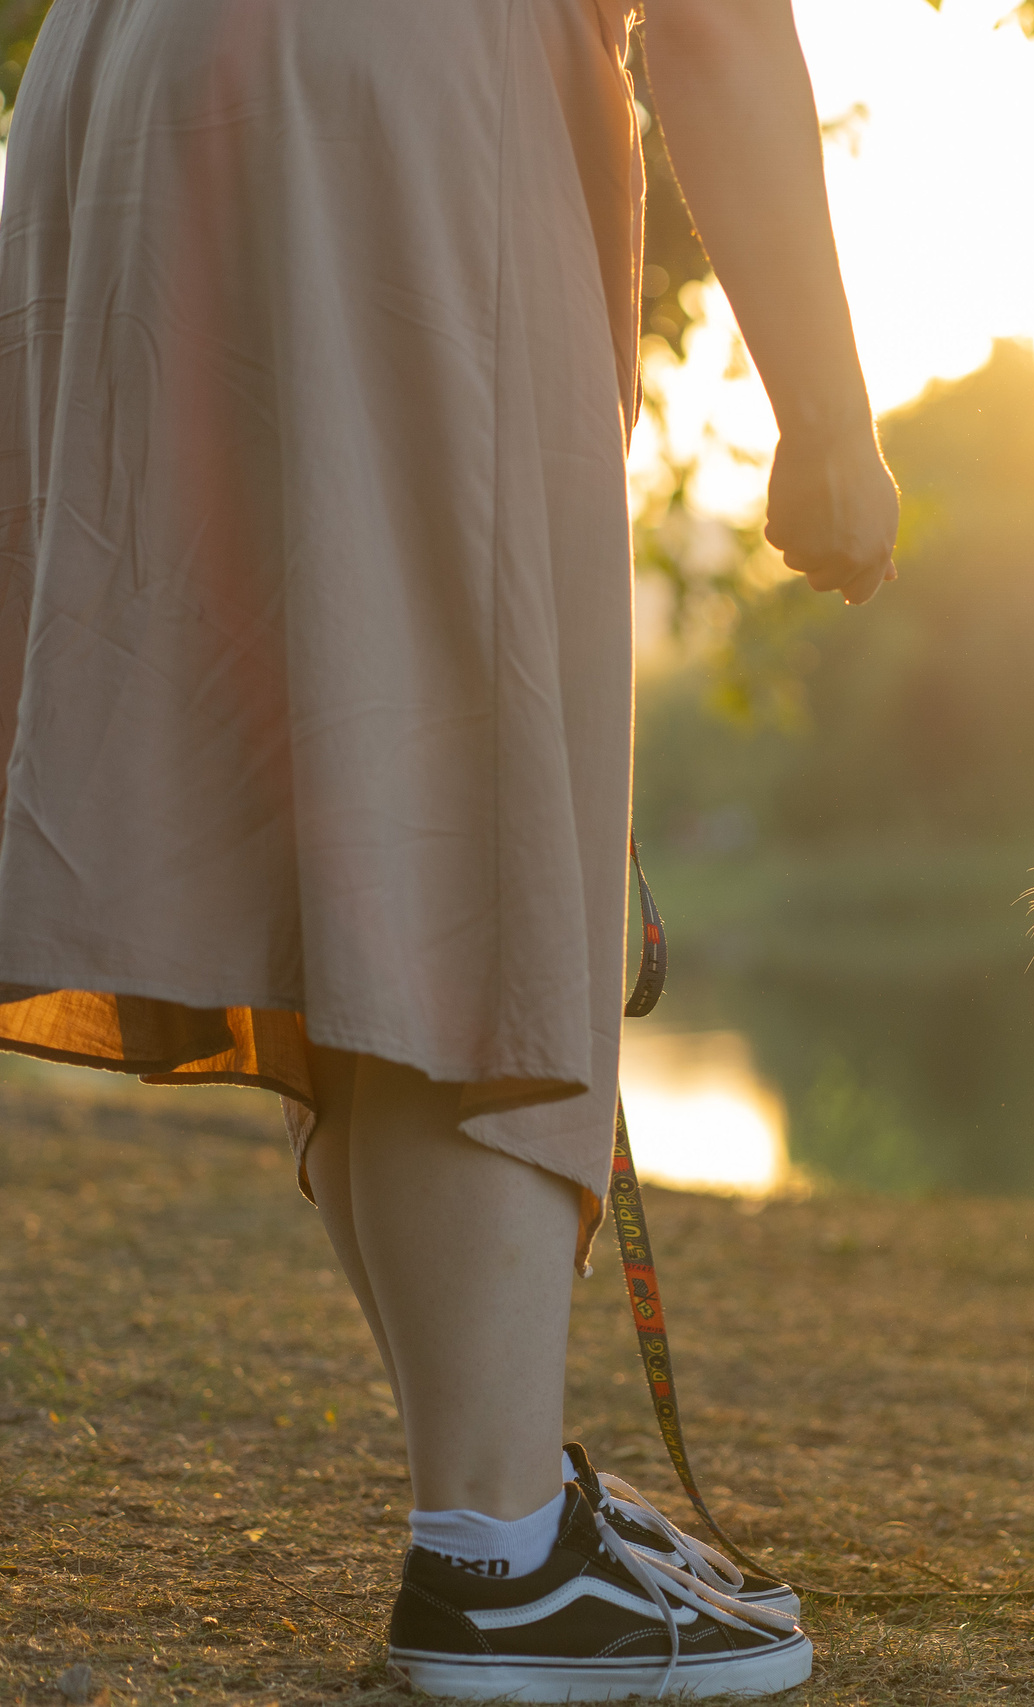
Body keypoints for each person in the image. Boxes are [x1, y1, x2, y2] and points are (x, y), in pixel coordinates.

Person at [0, 1, 895, 1695]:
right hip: (392, 105)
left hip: (116, 94)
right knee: (453, 837)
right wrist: (832, 425)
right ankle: (494, 1556)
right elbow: (715, 26)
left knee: (340, 837)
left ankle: (506, 1513)